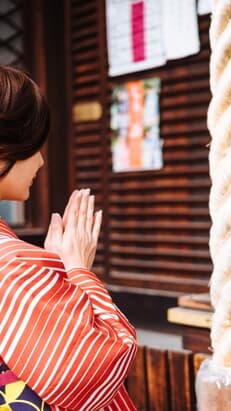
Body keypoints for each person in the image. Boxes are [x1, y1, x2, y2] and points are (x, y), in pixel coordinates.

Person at [0, 65, 137, 410]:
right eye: (34, 146)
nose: (42, 161)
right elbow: (102, 364)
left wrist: (50, 278)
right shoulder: (12, 265)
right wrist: (77, 271)